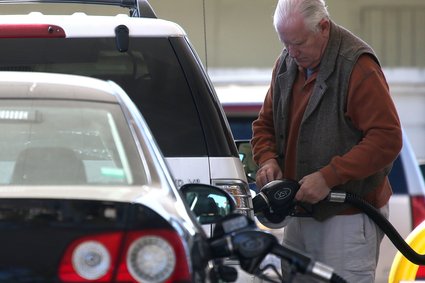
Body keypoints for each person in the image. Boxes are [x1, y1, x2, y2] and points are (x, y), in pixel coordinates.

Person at [251, 0, 402, 282]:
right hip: (300, 214)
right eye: (285, 44)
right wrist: (267, 158)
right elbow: (264, 124)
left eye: (298, 43)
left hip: (347, 217)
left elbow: (387, 139)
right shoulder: (287, 62)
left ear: (323, 27)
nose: (292, 53)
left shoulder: (357, 66)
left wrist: (329, 177)